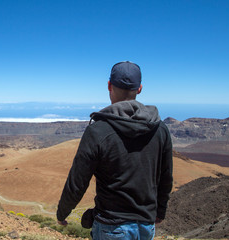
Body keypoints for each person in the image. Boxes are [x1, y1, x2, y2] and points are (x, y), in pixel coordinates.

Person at [56, 61, 173, 240]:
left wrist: (62, 213)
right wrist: (160, 211)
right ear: (140, 88)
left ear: (109, 86)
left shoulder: (98, 131)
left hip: (112, 227)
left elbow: (78, 181)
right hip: (146, 226)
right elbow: (165, 177)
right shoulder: (160, 128)